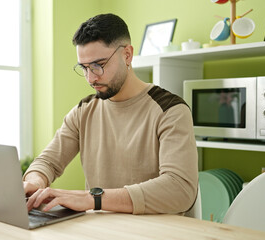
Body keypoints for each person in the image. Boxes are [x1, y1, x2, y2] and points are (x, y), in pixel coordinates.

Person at [23, 13, 198, 214]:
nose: (91, 78)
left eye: (99, 65)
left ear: (127, 55)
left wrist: (92, 198)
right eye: (84, 68)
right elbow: (47, 162)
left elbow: (180, 190)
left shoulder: (170, 110)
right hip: (100, 230)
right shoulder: (84, 111)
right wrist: (35, 181)